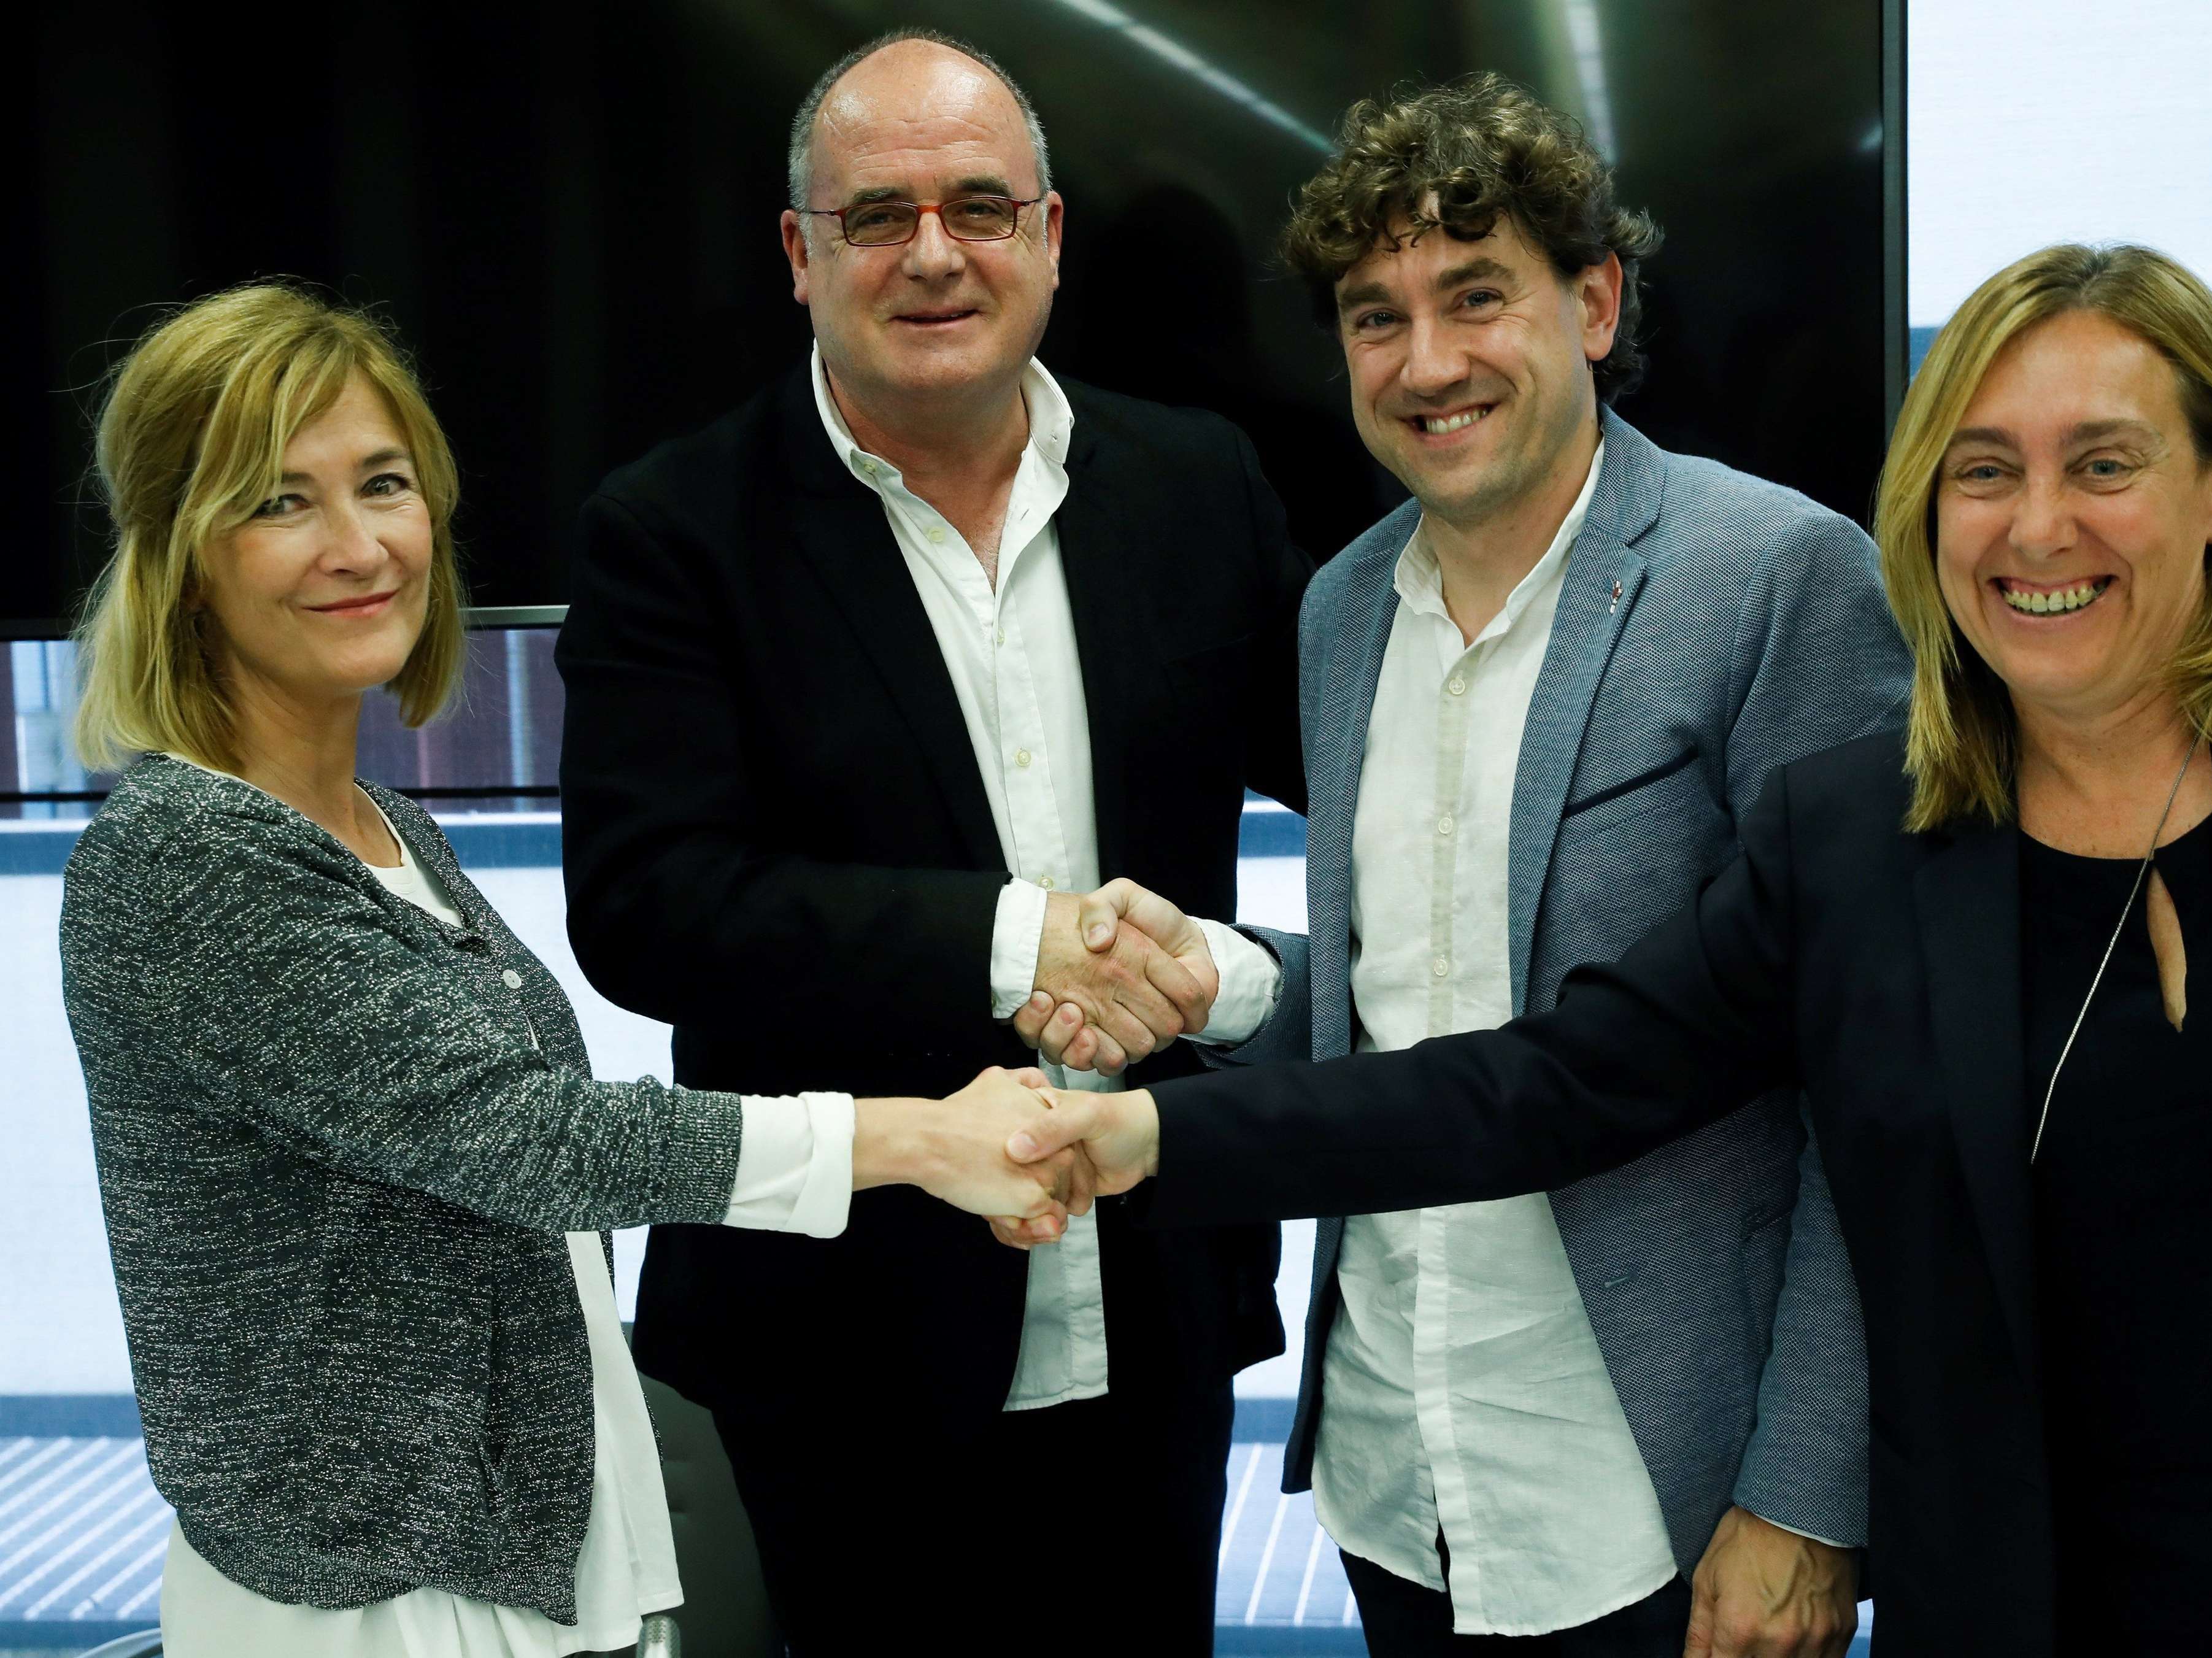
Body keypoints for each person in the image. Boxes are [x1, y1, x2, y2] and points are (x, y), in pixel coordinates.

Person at [1011, 243, 2212, 1658]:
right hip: (2036, 1595)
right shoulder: (1859, 839)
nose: (2033, 529)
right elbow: (1547, 1081)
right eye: (1982, 469)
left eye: (2101, 463)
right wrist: (1140, 1136)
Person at [56, 284, 1069, 1658]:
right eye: (278, 502)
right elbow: (527, 1138)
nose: (360, 547)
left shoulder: (383, 828)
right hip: (365, 1598)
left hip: (512, 1558)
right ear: (182, 554)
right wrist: (924, 1141)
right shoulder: (186, 858)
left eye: (385, 484)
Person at [1019, 74, 1893, 1658]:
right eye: (1375, 316)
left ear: (1599, 300)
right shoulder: (1341, 610)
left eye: (1475, 295)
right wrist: (1222, 983)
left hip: (1661, 1482)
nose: (1426, 363)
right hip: (1394, 1458)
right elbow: (1415, 1008)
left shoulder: (1780, 577)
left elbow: (1873, 1076)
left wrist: (1809, 1490)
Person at [551, 28, 1309, 1654]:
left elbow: (1367, 784)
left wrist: (1220, 974)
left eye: (978, 205)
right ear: (799, 256)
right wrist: (1014, 940)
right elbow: (648, 903)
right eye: (877, 214)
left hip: (1152, 1299)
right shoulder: (674, 531)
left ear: (1046, 236)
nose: (934, 253)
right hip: (827, 1344)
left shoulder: (1197, 485)